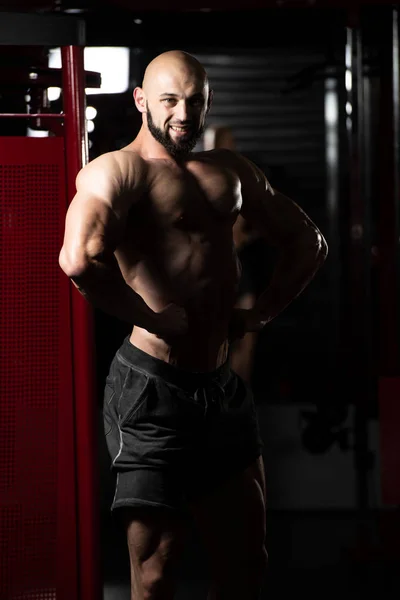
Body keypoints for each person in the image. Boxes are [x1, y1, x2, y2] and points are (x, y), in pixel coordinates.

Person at [59, 50, 328, 600]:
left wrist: (261, 312)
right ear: (140, 102)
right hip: (152, 387)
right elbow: (79, 259)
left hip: (220, 386)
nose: (184, 113)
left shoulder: (231, 172)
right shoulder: (118, 171)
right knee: (156, 572)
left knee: (248, 560)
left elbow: (309, 242)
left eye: (195, 101)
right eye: (169, 101)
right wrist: (149, 317)